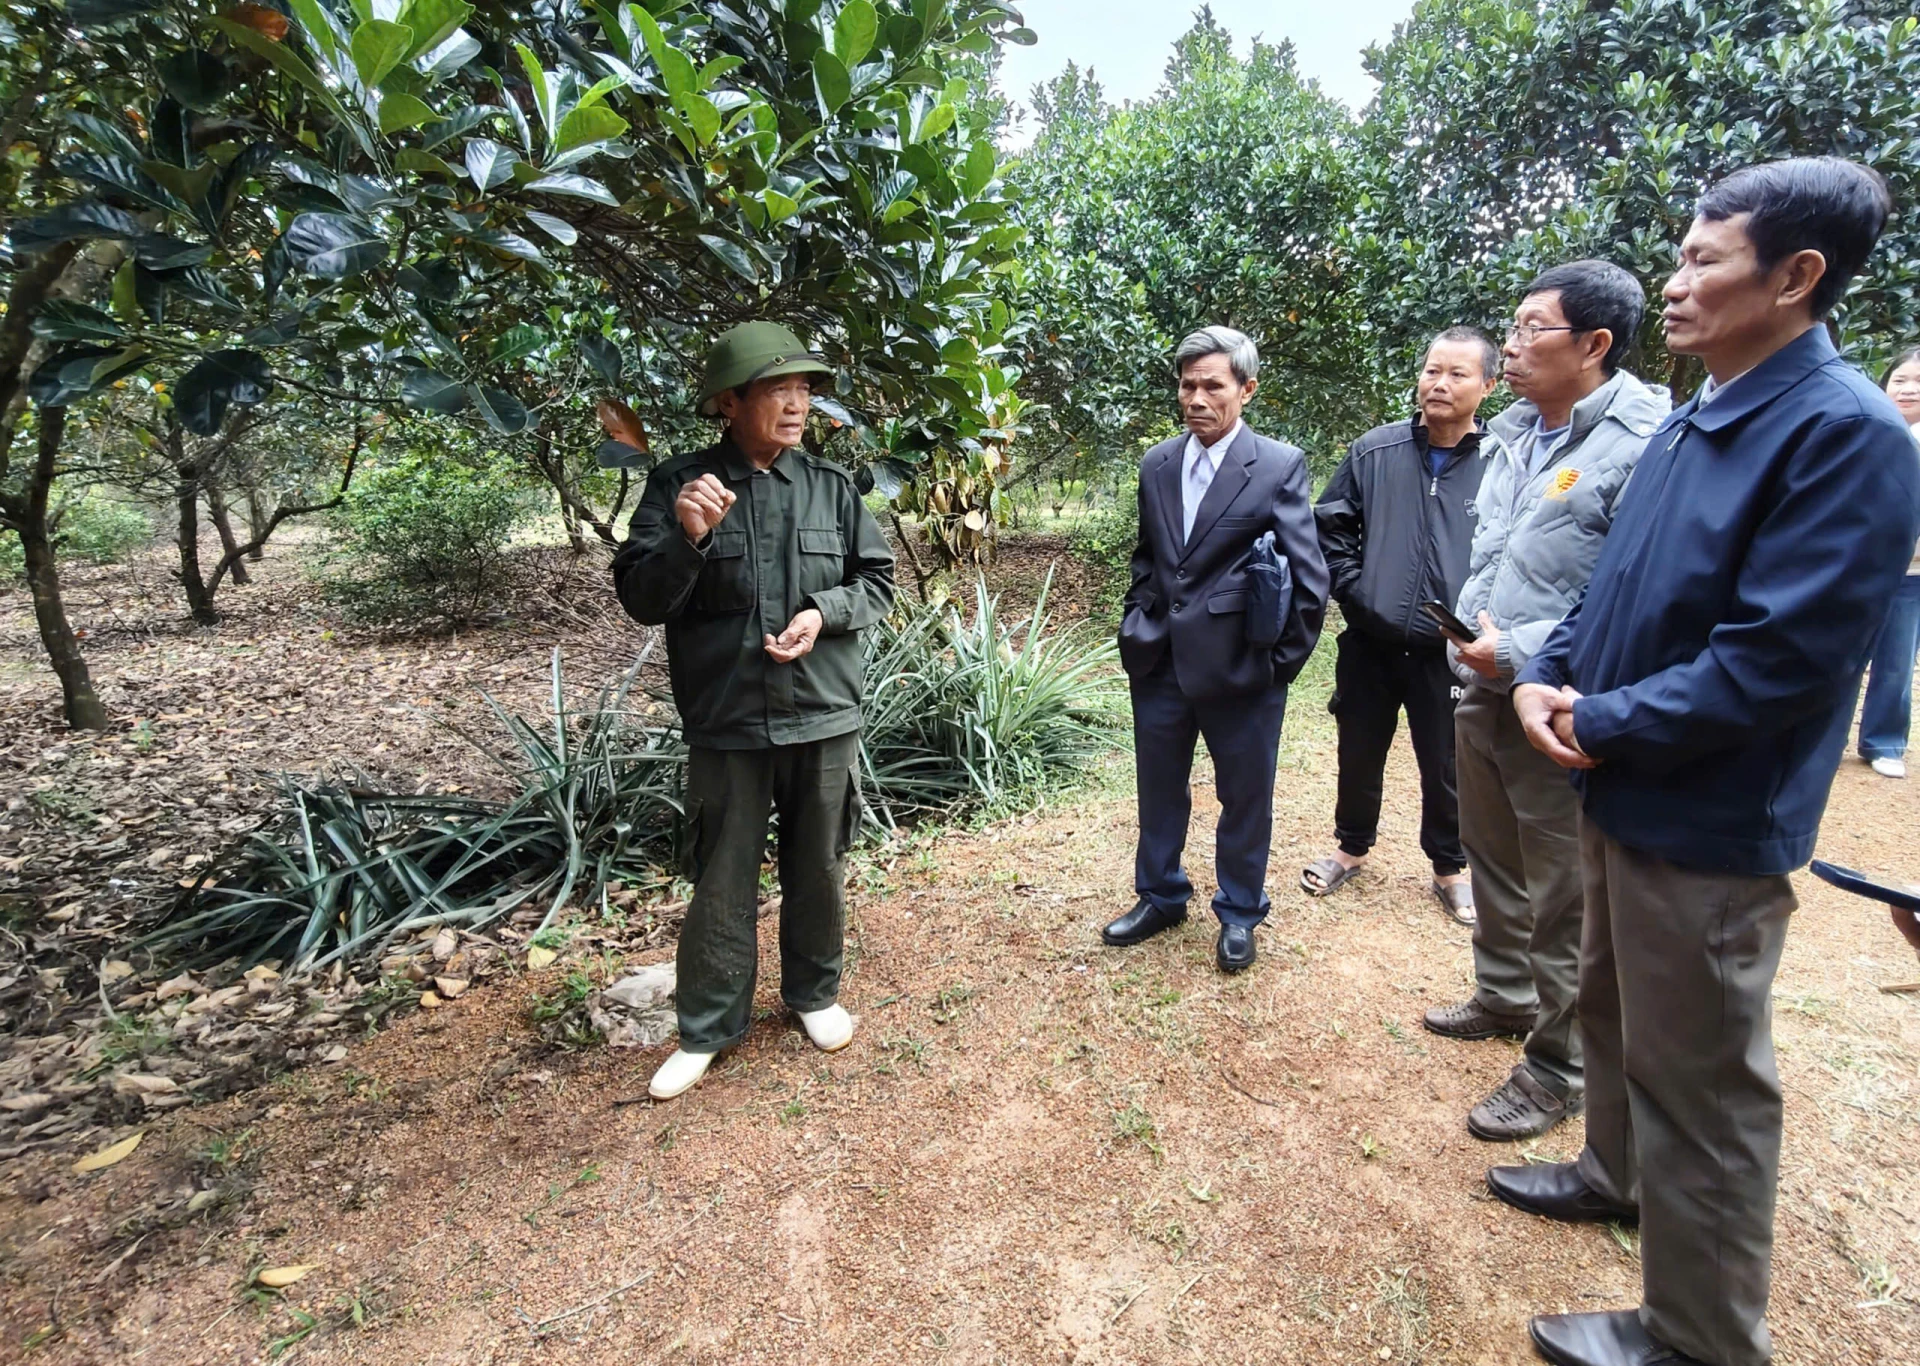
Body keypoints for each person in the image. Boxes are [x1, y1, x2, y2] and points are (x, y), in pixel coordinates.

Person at [1495, 159, 1920, 1366]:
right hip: (1624, 781)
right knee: (1618, 1012)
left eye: (1702, 261)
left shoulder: (1844, 436)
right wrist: (1545, 670)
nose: (1673, 286)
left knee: (1709, 1087)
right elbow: (1609, 588)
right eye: (1680, 257)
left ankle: (1698, 1339)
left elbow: (1778, 663)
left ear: (1796, 278)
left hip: (1710, 816)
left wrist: (1604, 717)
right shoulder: (1699, 414)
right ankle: (1613, 1171)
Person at [611, 322, 895, 1101]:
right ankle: (706, 1027)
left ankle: (814, 994)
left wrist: (823, 613)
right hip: (729, 718)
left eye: (805, 389)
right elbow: (640, 598)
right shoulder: (680, 486)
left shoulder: (833, 488)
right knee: (721, 876)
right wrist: (689, 539)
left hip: (823, 713)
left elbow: (878, 582)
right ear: (730, 403)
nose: (799, 402)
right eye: (779, 389)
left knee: (820, 864)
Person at [1423, 263, 1670, 1144]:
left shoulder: (1648, 444)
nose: (1513, 345)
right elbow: (1496, 551)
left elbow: (1629, 590)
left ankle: (1559, 1066)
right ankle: (1503, 991)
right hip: (1482, 683)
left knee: (1564, 894)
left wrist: (1522, 654)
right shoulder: (1518, 432)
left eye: (1533, 330)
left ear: (1594, 346)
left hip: (1561, 703)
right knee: (1494, 855)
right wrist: (1472, 639)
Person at [1105, 326, 1329, 973]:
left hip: (1243, 668)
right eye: (1187, 385)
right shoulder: (1158, 464)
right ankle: (1161, 895)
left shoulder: (1278, 465)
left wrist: (1276, 665)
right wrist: (1137, 621)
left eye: (1213, 385)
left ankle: (1238, 910)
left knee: (1245, 794)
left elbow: (1309, 576)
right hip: (1161, 663)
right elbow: (1149, 557)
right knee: (1159, 789)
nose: (1197, 398)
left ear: (1246, 389)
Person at [1302, 328, 1501, 923]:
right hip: (1372, 640)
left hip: (1452, 648)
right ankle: (1350, 848)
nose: (1439, 383)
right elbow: (1332, 526)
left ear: (1488, 386)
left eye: (1458, 374)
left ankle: (1448, 867)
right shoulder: (1374, 451)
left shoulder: (1500, 464)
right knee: (1359, 749)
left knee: (1446, 760)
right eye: (1432, 370)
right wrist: (1357, 592)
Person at [1855, 347, 1920, 777]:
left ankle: (1884, 741)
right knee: (1838, 653)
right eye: (1900, 379)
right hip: (1856, 564)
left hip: (1911, 571)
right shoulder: (1865, 427)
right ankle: (1825, 735)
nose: (1908, 389)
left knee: (1896, 659)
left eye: (1919, 384)